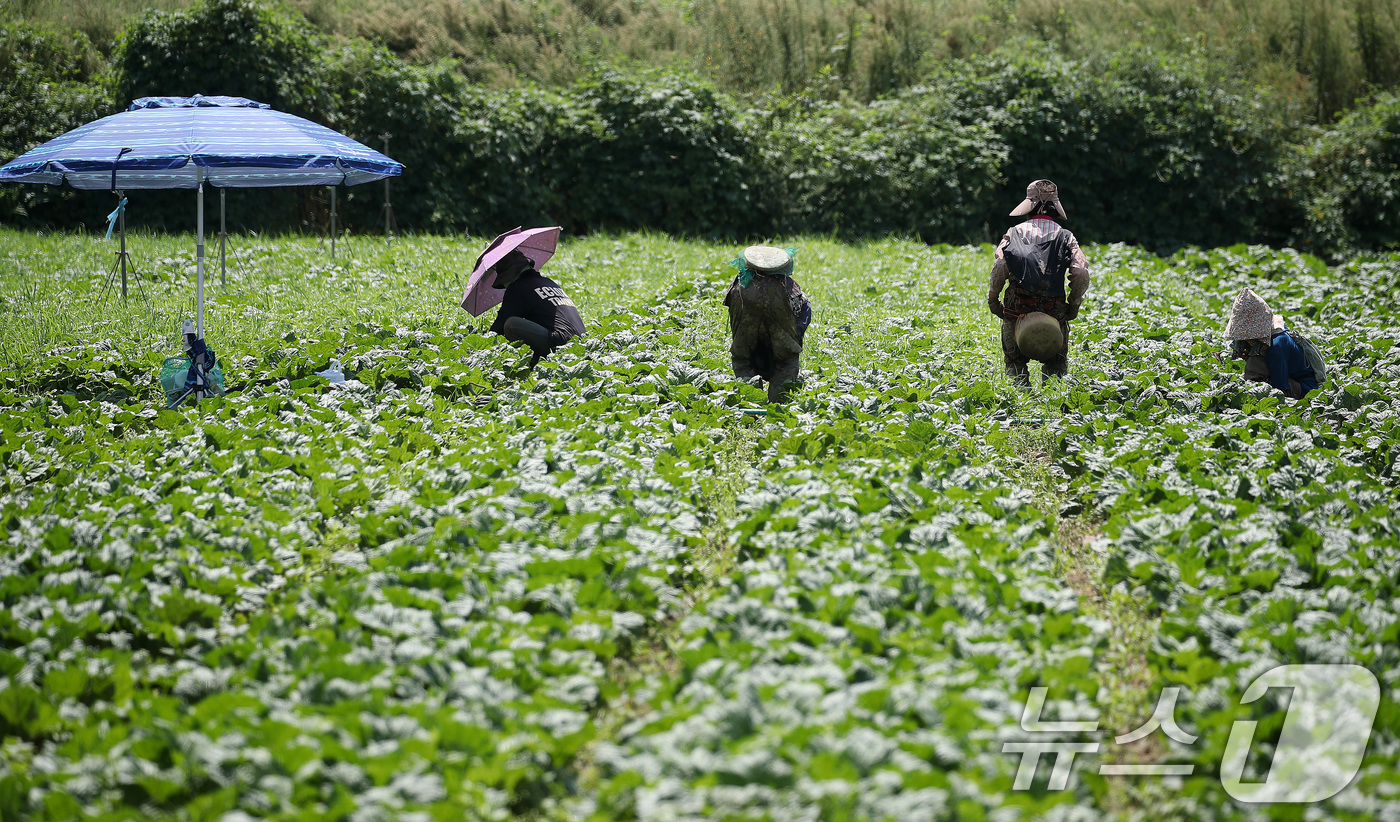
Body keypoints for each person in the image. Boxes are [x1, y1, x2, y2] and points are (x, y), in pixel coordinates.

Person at [987, 179, 1091, 387]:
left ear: (1029, 207)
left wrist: (993, 300)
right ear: (1055, 208)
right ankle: (1053, 411)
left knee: (1015, 368)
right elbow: (1080, 272)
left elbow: (999, 267)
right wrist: (1073, 306)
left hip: (1017, 312)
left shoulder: (1013, 233)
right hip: (1054, 312)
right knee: (1056, 370)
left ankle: (1019, 409)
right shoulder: (1066, 237)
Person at [724, 245, 812, 403]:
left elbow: (731, 310)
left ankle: (751, 409)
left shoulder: (739, 285)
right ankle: (777, 413)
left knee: (743, 364)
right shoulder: (788, 285)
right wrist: (795, 335)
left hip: (745, 343)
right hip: (783, 346)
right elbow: (804, 311)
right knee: (786, 367)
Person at [488, 249, 585, 366]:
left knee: (510, 324)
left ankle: (531, 363)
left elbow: (498, 329)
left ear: (509, 275)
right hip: (583, 343)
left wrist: (482, 346)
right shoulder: (549, 282)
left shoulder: (517, 287)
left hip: (559, 343)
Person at [1222, 287, 1318, 399]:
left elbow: (1280, 389)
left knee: (1257, 384)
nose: (1246, 340)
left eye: (1247, 336)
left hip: (1305, 389)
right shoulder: (1274, 329)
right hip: (1292, 380)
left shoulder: (1276, 346)